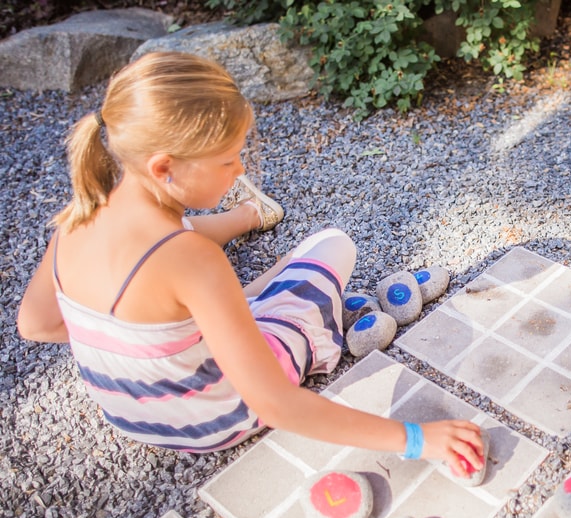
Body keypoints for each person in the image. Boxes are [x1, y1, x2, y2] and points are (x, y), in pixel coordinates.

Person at [16, 52, 484, 476]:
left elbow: (34, 324)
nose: (239, 169)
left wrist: (133, 340)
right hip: (218, 418)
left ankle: (244, 225)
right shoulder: (191, 258)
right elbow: (278, 406)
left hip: (133, 416)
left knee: (208, 272)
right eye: (227, 161)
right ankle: (282, 293)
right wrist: (418, 439)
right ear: (164, 168)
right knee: (333, 244)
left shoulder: (78, 218)